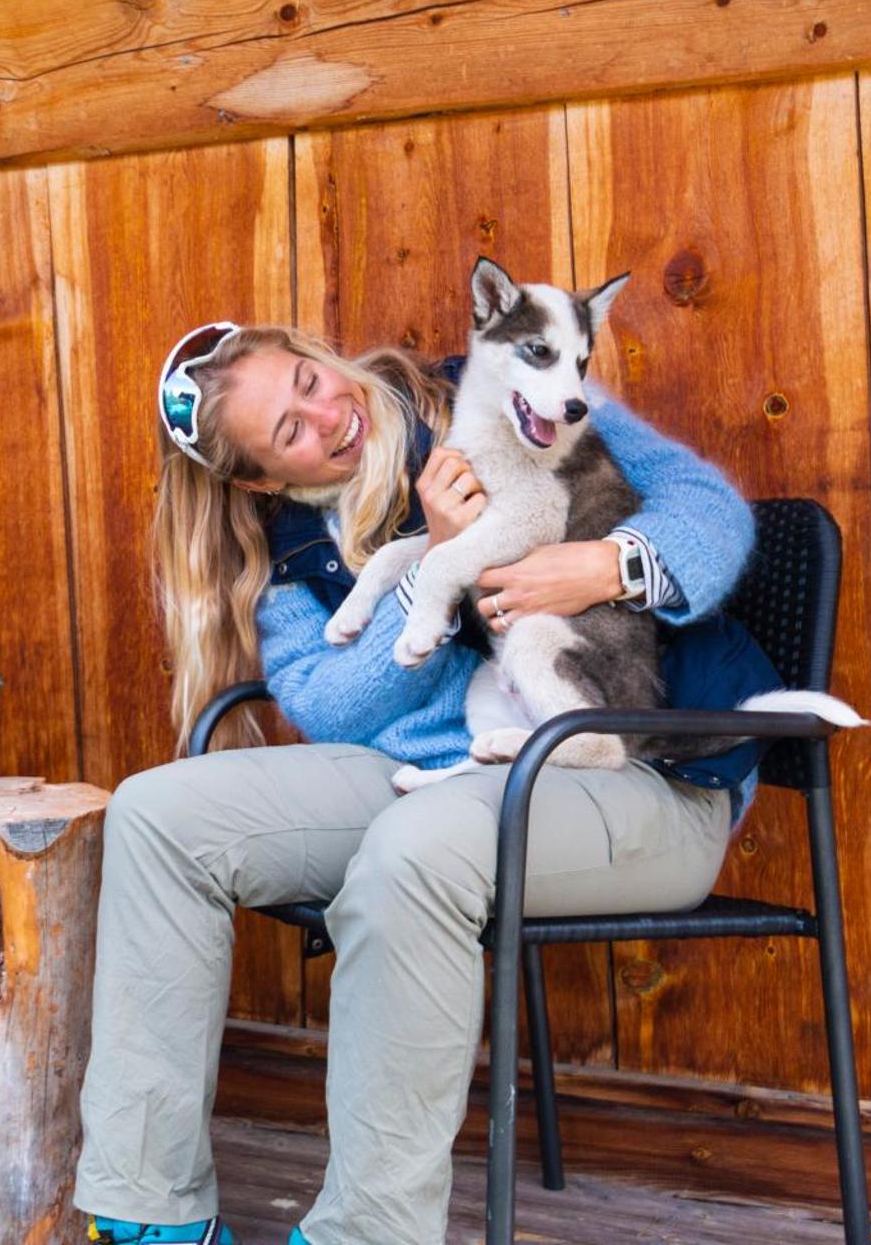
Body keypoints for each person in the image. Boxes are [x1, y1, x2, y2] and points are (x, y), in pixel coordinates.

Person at [75, 322, 778, 1244]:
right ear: (260, 480)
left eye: (308, 380)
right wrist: (429, 574)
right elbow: (329, 704)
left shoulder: (505, 396)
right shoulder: (292, 547)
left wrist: (609, 564)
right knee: (160, 816)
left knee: (415, 851)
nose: (329, 415)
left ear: (316, 350)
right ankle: (148, 1214)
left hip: (642, 770)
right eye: (289, 430)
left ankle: (367, 1234)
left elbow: (709, 507)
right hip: (442, 772)